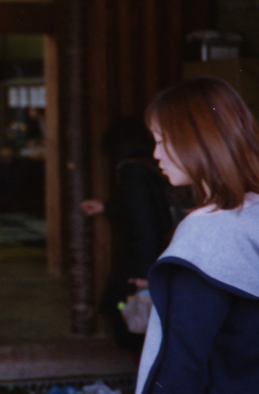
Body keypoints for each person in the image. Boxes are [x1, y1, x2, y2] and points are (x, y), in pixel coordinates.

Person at [136, 77, 259, 394]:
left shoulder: (202, 239)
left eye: (161, 140)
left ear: (197, 141)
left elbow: (179, 369)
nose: (156, 154)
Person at [79, 117, 174, 352]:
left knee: (126, 316)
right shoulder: (150, 164)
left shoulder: (131, 168)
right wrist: (106, 207)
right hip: (163, 252)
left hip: (143, 259)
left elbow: (144, 223)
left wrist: (145, 274)